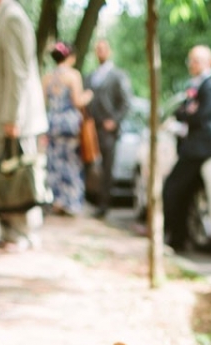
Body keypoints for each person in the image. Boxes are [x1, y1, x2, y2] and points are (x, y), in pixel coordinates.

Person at [0, 0, 48, 252]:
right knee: (2, 176)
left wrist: (12, 117)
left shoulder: (12, 17)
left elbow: (19, 72)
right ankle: (8, 232)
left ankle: (24, 234)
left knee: (19, 176)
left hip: (16, 120)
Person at [163, 45, 211, 253]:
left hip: (198, 149)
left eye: (196, 60)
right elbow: (183, 111)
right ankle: (180, 237)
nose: (192, 65)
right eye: (191, 60)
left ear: (207, 62)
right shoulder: (195, 85)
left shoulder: (209, 86)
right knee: (184, 195)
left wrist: (186, 114)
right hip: (191, 147)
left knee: (173, 188)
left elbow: (202, 116)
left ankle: (176, 237)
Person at [42, 41, 92, 217]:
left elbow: (43, 103)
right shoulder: (73, 75)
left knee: (55, 162)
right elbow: (77, 101)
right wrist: (88, 96)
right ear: (70, 57)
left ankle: (57, 200)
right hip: (69, 124)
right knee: (71, 162)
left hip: (53, 123)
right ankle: (71, 202)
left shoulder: (47, 77)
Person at [86, 39, 131, 219]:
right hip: (90, 128)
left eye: (103, 49)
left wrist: (114, 121)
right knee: (89, 164)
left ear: (109, 51)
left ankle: (104, 205)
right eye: (97, 49)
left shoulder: (119, 75)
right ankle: (90, 201)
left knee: (106, 167)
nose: (100, 52)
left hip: (107, 130)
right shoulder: (90, 76)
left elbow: (126, 102)